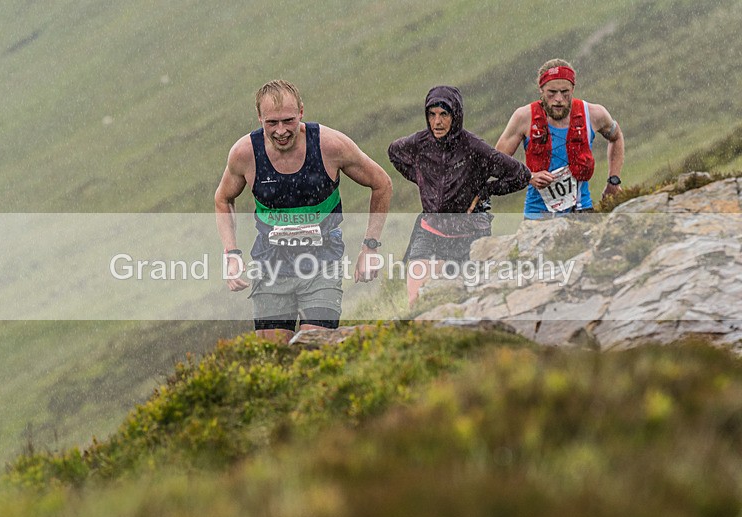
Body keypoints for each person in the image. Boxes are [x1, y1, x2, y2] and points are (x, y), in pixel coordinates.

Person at [215, 79, 392, 342]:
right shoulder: (245, 154)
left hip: (323, 261)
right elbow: (223, 199)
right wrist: (231, 254)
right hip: (270, 263)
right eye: (271, 123)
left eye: (288, 120)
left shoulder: (330, 146)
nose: (281, 131)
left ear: (301, 111)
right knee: (273, 355)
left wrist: (370, 247)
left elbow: (382, 183)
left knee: (315, 346)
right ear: (259, 118)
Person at [388, 85, 531, 307]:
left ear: (456, 115)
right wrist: (423, 180)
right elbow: (394, 152)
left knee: (466, 301)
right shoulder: (420, 142)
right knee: (416, 300)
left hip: (469, 234)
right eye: (432, 114)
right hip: (430, 230)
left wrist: (486, 190)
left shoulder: (474, 147)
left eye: (444, 114)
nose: (437, 122)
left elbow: (521, 175)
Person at [496, 59, 625, 218]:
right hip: (537, 215)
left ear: (573, 89)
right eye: (552, 92)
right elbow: (498, 161)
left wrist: (613, 181)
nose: (559, 98)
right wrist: (529, 176)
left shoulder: (593, 114)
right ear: (541, 90)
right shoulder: (524, 117)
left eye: (565, 92)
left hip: (581, 210)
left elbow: (616, 137)